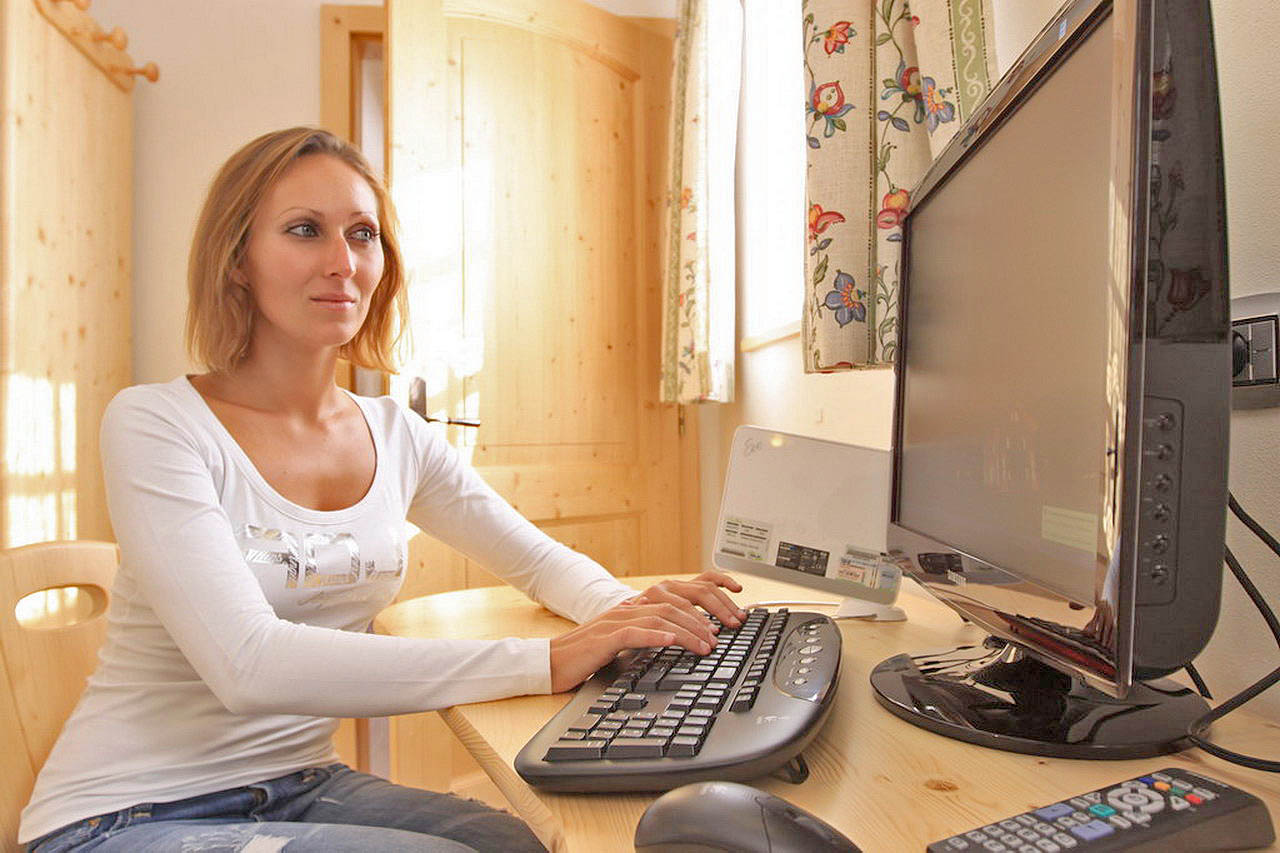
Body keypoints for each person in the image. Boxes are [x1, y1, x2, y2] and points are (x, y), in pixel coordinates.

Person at [19, 127, 745, 852]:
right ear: (236, 259)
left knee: (524, 844)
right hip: (127, 815)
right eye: (305, 230)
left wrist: (634, 617)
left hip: (300, 783)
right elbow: (249, 664)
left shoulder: (396, 434)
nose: (342, 262)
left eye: (362, 234)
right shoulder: (157, 422)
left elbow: (537, 561)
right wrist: (547, 660)